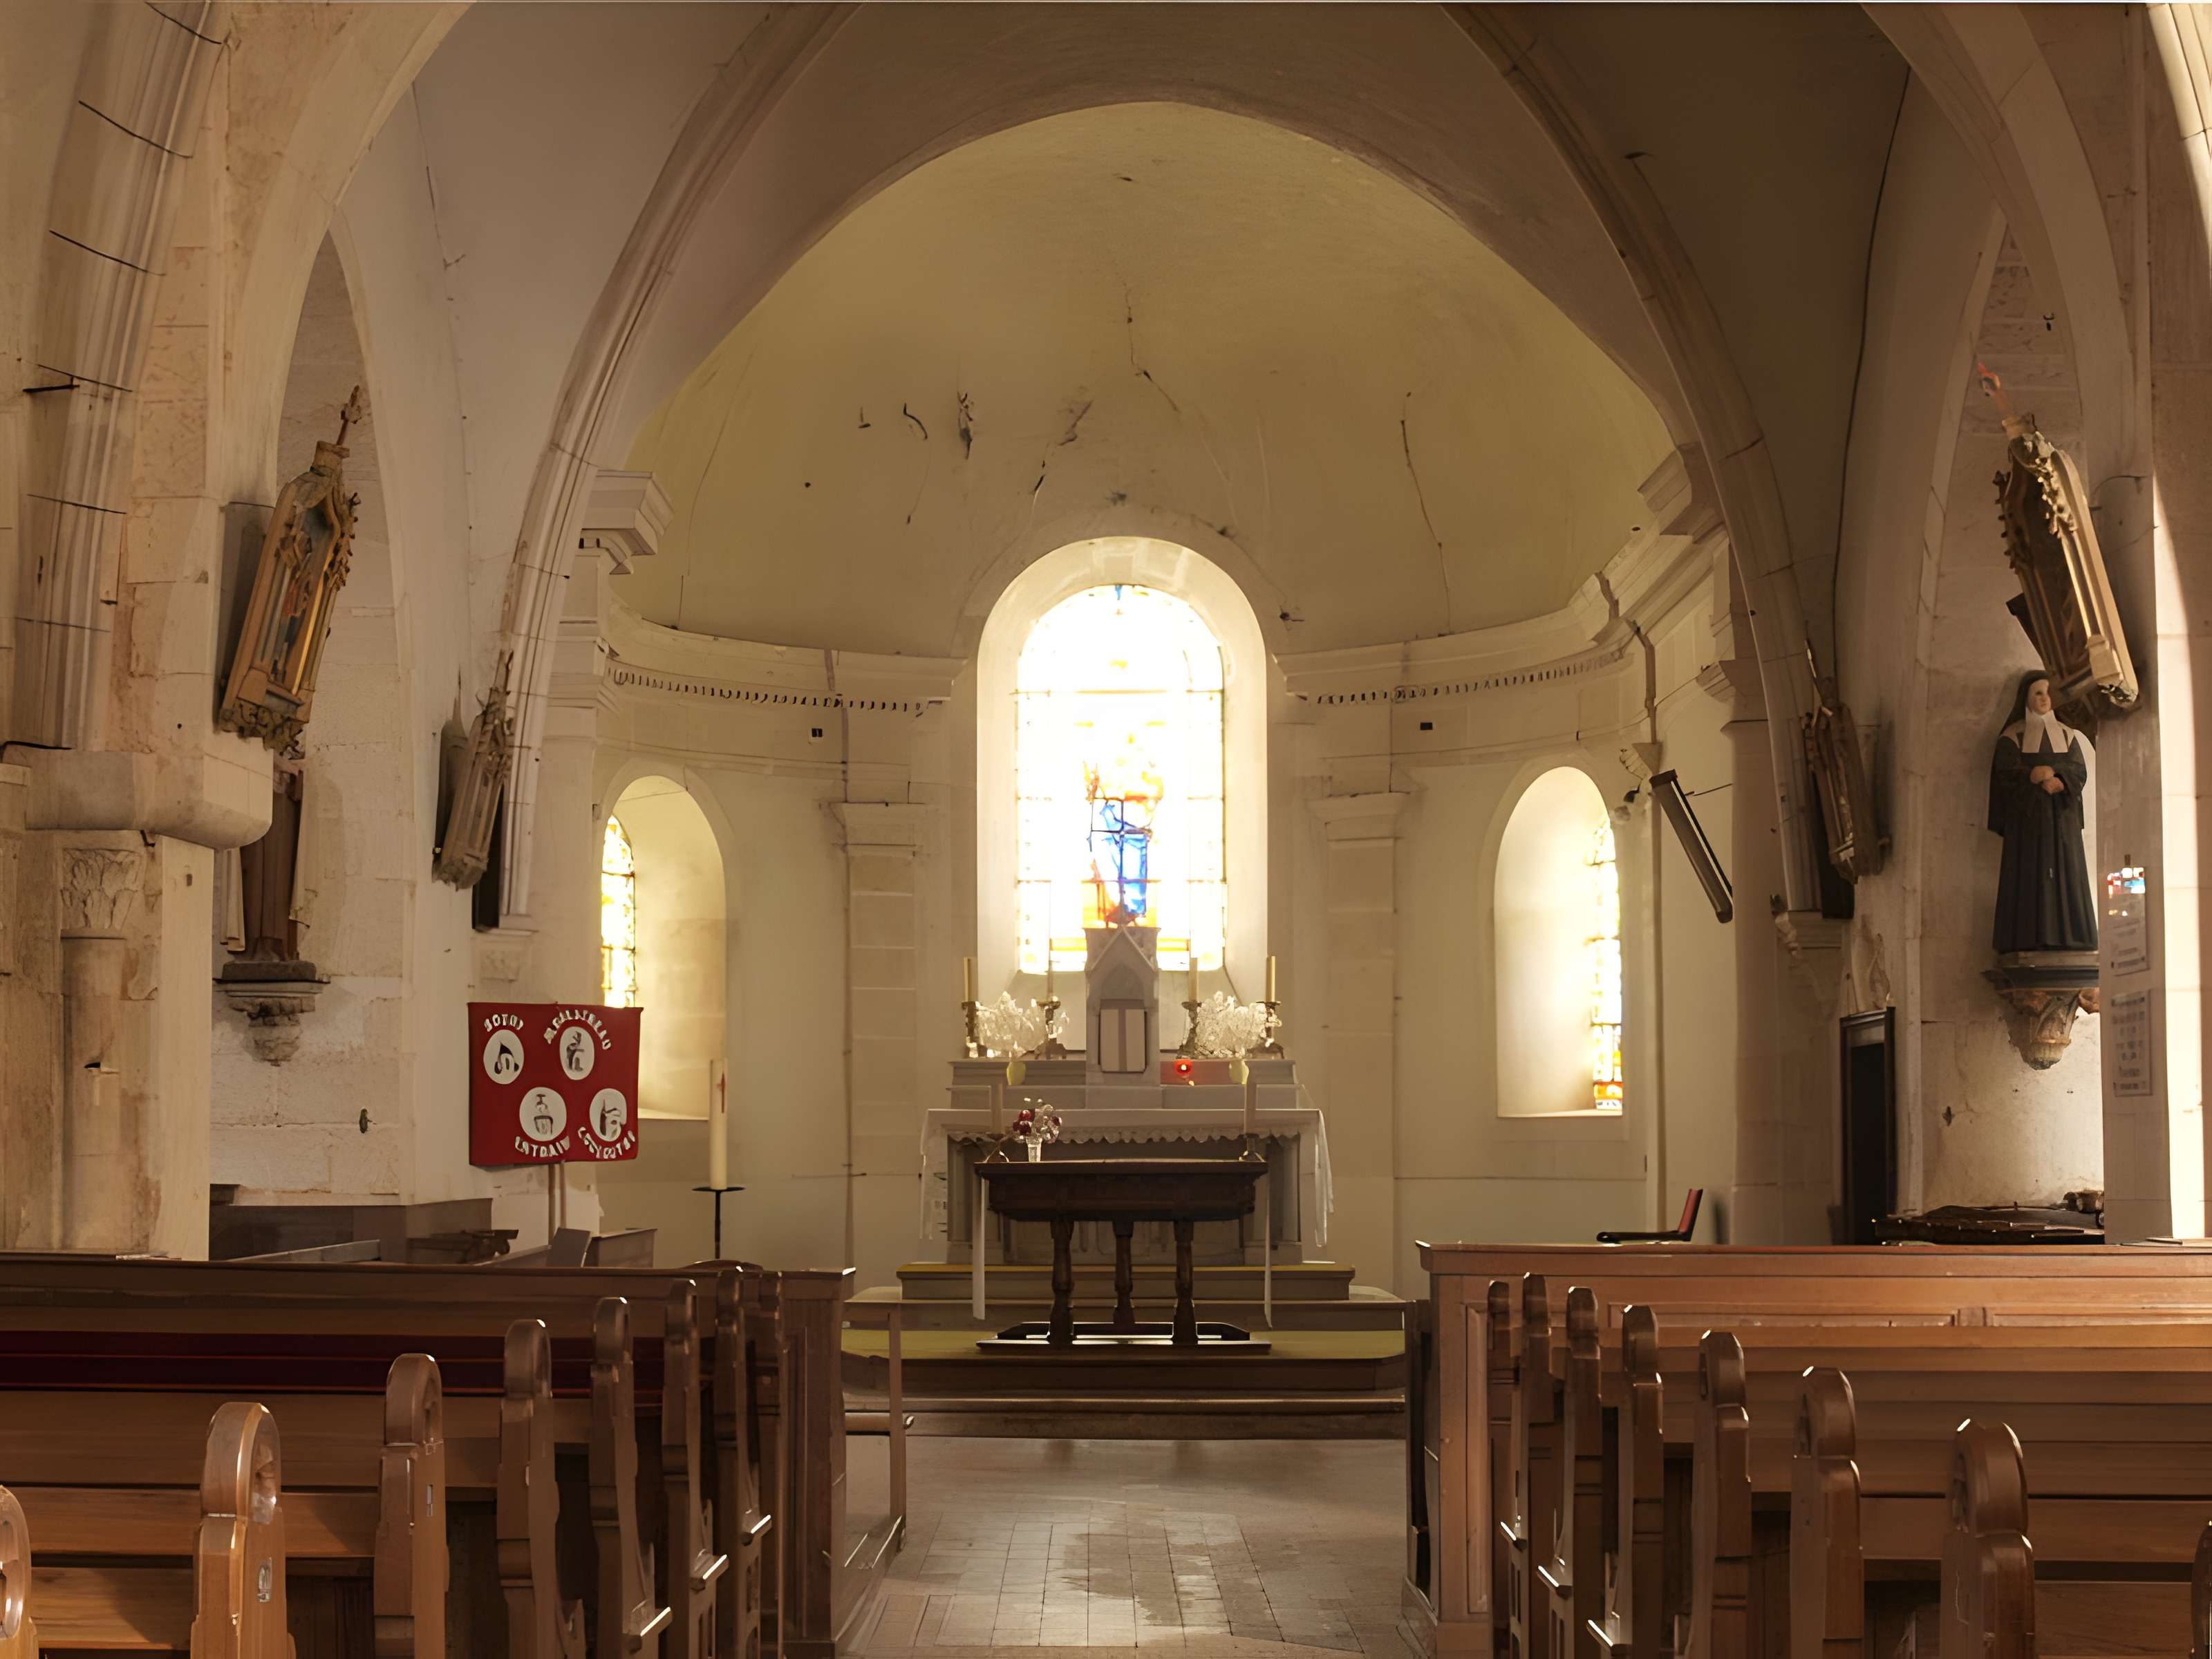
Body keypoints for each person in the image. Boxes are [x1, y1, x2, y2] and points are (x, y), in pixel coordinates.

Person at [1987, 673, 2097, 953]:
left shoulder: (2067, 734)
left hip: (2063, 822)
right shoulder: (2013, 736)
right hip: (2028, 825)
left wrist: (2060, 780)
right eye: (2038, 693)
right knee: (2030, 875)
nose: (2045, 698)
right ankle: (2027, 938)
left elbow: (2078, 770)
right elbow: (2006, 773)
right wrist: (2033, 776)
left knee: (2067, 872)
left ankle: (2072, 937)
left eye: (2049, 692)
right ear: (2026, 697)